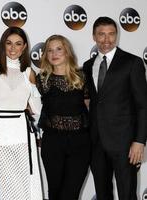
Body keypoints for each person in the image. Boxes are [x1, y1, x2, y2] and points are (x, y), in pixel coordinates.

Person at [83, 16, 147, 200]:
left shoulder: (132, 63)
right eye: (101, 34)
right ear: (94, 36)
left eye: (111, 34)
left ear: (117, 35)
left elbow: (143, 105)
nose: (107, 40)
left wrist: (139, 141)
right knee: (103, 194)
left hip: (125, 144)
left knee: (127, 194)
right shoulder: (88, 66)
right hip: (96, 143)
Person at [0, 26, 42, 200]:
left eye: (18, 44)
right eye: (9, 43)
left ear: (24, 47)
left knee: (24, 184)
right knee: (3, 184)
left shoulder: (29, 73)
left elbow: (37, 109)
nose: (13, 48)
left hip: (23, 134)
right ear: (2, 45)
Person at [36, 35, 90, 200]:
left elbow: (90, 107)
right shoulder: (41, 80)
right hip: (52, 142)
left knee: (71, 194)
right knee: (55, 193)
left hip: (80, 142)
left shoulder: (82, 77)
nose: (54, 53)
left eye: (59, 49)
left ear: (67, 51)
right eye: (50, 50)